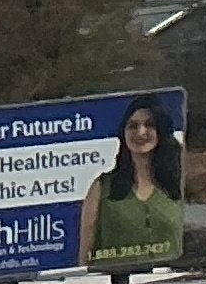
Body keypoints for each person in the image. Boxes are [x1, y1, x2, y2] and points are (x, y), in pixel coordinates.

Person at [79, 99, 185, 270]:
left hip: (169, 283)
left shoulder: (180, 185)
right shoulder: (101, 187)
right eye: (133, 126)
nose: (141, 132)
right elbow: (85, 255)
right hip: (114, 283)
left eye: (150, 125)